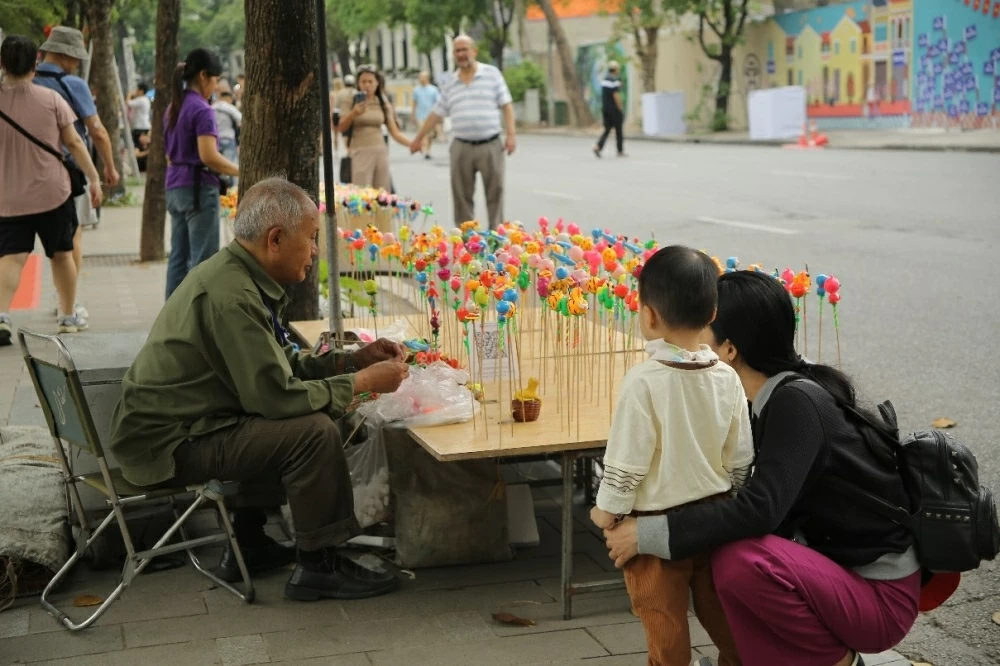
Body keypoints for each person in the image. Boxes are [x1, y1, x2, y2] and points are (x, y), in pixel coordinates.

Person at [110, 177, 410, 600]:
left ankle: (248, 545)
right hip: (167, 446)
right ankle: (318, 565)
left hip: (188, 427)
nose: (315, 250)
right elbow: (276, 398)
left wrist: (352, 360)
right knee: (312, 431)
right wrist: (360, 383)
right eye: (311, 238)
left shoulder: (239, 277)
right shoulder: (232, 296)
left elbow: (279, 370)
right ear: (275, 239)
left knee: (296, 415)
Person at [603, 271, 922, 666]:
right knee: (729, 552)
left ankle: (837, 662)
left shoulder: (796, 403)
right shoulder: (768, 393)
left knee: (740, 560)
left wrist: (646, 534)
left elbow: (758, 510)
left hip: (878, 597)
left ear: (729, 349)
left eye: (700, 326)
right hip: (836, 576)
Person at [589, 246, 751, 666]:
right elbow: (740, 457)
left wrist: (608, 511)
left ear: (648, 316)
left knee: (665, 623)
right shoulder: (727, 378)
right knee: (727, 617)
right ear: (712, 313)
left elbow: (627, 460)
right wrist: (733, 496)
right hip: (714, 520)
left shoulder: (643, 382)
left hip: (653, 528)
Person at [0, 35, 102, 344]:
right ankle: (68, 317)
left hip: (9, 196)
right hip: (52, 193)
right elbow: (74, 142)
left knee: (11, 258)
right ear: (35, 63)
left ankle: (2, 316)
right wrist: (94, 178)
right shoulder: (52, 99)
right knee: (61, 255)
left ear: (2, 64)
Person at [34, 26, 120, 322]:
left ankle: (58, 298)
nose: (76, 63)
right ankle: (67, 302)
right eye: (75, 58)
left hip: (26, 171)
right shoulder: (72, 84)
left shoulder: (26, 80)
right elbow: (97, 130)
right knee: (72, 236)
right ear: (65, 56)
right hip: (66, 171)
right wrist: (108, 166)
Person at [410, 36, 516, 230]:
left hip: (491, 144)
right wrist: (418, 139)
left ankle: (496, 237)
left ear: (474, 51)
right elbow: (436, 113)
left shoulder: (491, 74)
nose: (461, 54)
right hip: (461, 146)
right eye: (457, 51)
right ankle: (467, 239)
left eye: (464, 49)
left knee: (496, 193)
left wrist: (511, 135)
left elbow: (506, 105)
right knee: (461, 197)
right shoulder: (450, 82)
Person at [164, 48, 239, 299]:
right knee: (203, 261)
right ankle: (197, 317)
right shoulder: (202, 110)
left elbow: (169, 154)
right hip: (197, 189)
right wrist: (240, 170)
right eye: (215, 80)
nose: (216, 86)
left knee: (178, 257)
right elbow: (208, 156)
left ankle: (172, 315)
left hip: (175, 186)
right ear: (204, 76)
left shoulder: (173, 107)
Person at [336, 65, 410, 191]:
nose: (367, 85)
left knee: (382, 193)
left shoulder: (382, 102)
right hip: (359, 151)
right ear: (358, 83)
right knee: (361, 193)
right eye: (363, 81)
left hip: (380, 151)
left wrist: (413, 144)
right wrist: (354, 113)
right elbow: (341, 127)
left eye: (370, 81)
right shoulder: (351, 100)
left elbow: (395, 132)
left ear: (377, 83)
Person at [593, 61, 625, 158]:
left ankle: (598, 146)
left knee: (607, 129)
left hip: (605, 109)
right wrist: (620, 107)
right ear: (615, 69)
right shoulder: (613, 81)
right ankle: (620, 151)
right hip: (614, 110)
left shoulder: (604, 80)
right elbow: (616, 95)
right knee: (619, 130)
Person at [411, 71, 440, 159]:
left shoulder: (434, 89)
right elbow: (414, 103)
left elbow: (438, 103)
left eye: (422, 77)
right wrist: (413, 114)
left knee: (430, 135)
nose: (420, 79)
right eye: (420, 77)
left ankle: (428, 149)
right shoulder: (416, 90)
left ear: (427, 78)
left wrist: (439, 116)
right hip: (420, 115)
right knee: (424, 133)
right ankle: (426, 151)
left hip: (431, 116)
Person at [213, 90, 242, 163]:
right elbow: (240, 118)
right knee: (230, 163)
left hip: (215, 139)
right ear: (229, 99)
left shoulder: (212, 107)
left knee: (217, 164)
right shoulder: (230, 107)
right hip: (228, 139)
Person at [127, 81, 152, 149]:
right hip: (143, 125)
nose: (136, 91)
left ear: (141, 91)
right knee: (141, 146)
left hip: (140, 127)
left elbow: (128, 103)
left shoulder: (141, 100)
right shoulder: (145, 99)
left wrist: (129, 94)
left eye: (137, 89)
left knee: (138, 146)